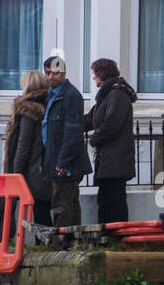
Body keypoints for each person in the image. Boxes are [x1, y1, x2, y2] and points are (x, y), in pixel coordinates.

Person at [39, 48, 91, 228]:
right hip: (55, 157)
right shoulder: (51, 95)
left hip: (65, 161)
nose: (50, 77)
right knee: (69, 201)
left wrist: (63, 161)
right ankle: (72, 240)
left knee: (62, 203)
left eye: (55, 73)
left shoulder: (70, 96)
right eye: (47, 73)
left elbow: (72, 132)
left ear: (63, 73)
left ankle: (63, 242)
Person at [84, 57, 137, 226]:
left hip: (116, 159)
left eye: (94, 74)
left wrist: (94, 139)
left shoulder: (117, 95)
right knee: (105, 200)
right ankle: (107, 236)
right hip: (108, 159)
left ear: (102, 74)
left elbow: (112, 124)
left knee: (114, 201)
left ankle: (117, 237)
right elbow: (91, 119)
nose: (93, 78)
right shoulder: (106, 95)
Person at [3, 69, 53, 227]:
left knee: (39, 212)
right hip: (44, 166)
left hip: (32, 169)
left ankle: (42, 246)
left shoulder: (28, 111)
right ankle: (47, 245)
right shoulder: (49, 106)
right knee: (43, 210)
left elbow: (23, 145)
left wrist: (15, 173)